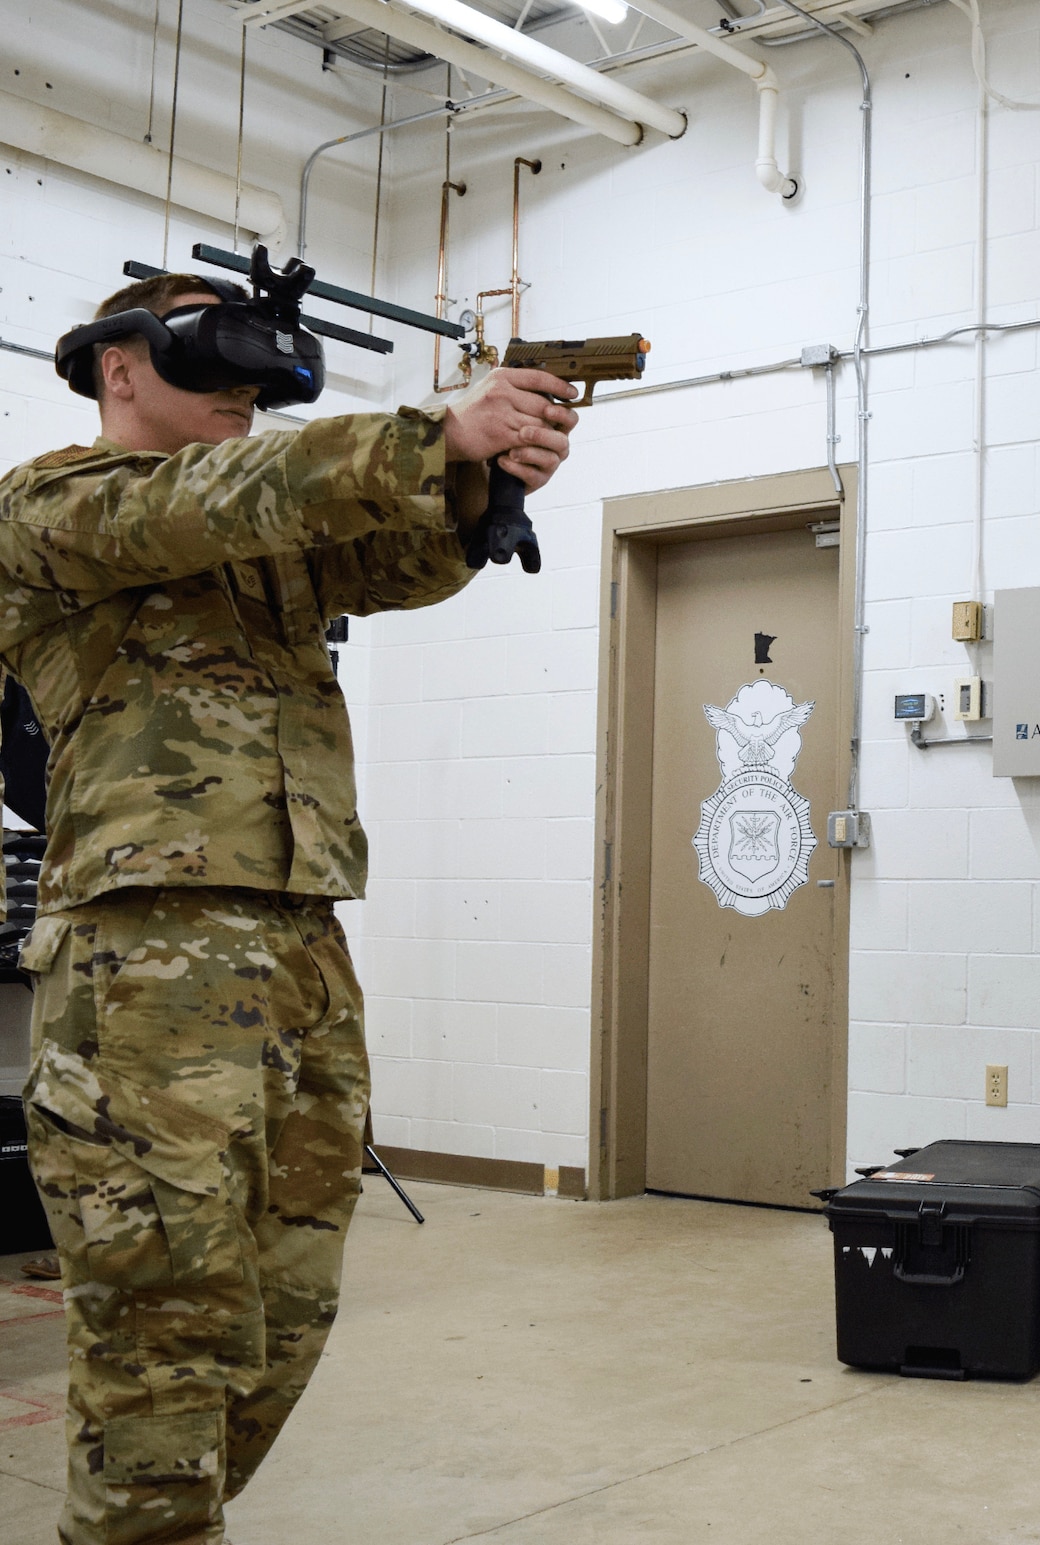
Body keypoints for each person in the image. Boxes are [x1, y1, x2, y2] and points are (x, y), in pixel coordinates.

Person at [7, 271, 576, 1545]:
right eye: (214, 365)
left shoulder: (263, 541)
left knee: (283, 1308)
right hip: (143, 959)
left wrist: (485, 482)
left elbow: (396, 556)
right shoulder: (55, 505)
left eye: (259, 381)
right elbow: (234, 497)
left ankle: (166, 1521)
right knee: (165, 1328)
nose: (244, 399)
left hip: (300, 943)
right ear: (118, 368)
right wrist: (432, 434)